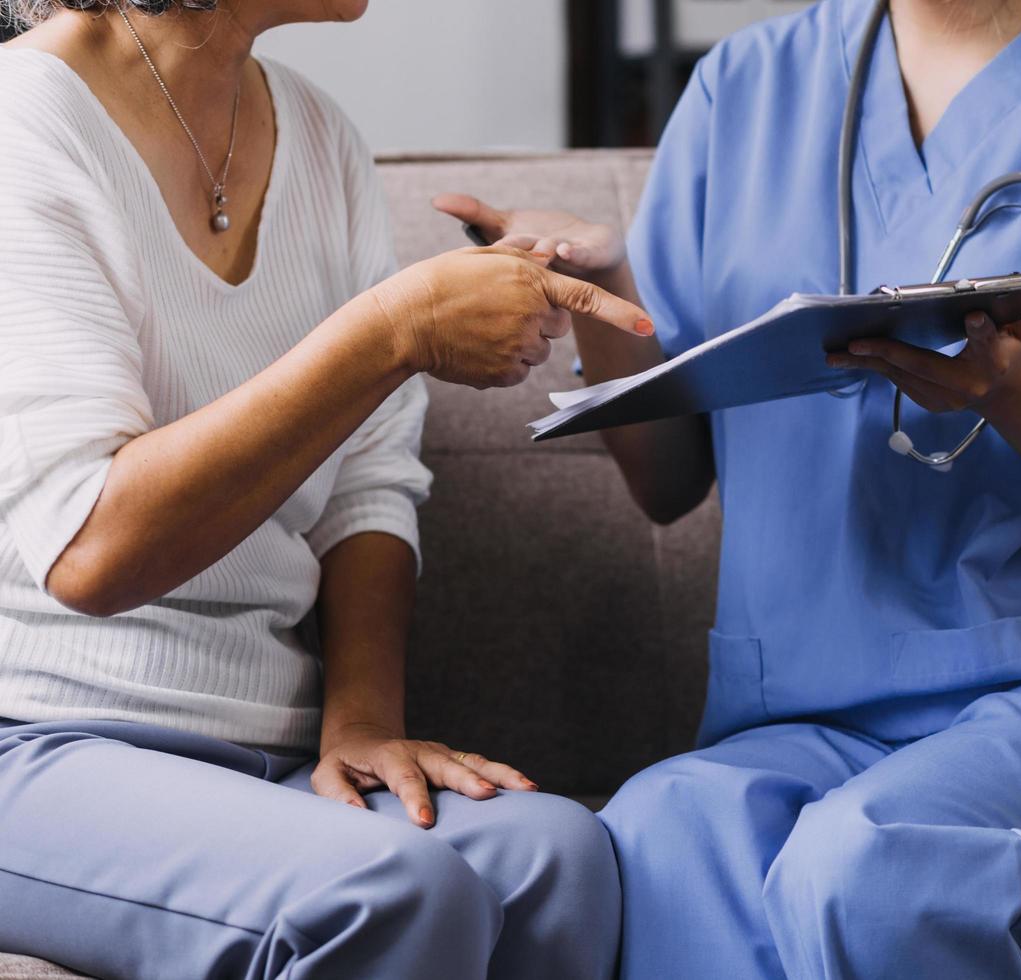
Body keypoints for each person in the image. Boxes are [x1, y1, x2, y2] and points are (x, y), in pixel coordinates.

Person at [435, 0, 1021, 975]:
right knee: (657, 832)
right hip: (821, 707)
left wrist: (1012, 391)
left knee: (877, 864)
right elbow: (668, 482)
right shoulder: (741, 89)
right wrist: (600, 284)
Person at [0, 1, 652, 977]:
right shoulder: (23, 124)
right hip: (36, 738)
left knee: (555, 854)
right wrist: (390, 332)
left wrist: (360, 721)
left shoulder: (316, 134)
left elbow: (370, 481)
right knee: (388, 889)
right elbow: (91, 551)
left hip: (257, 738)